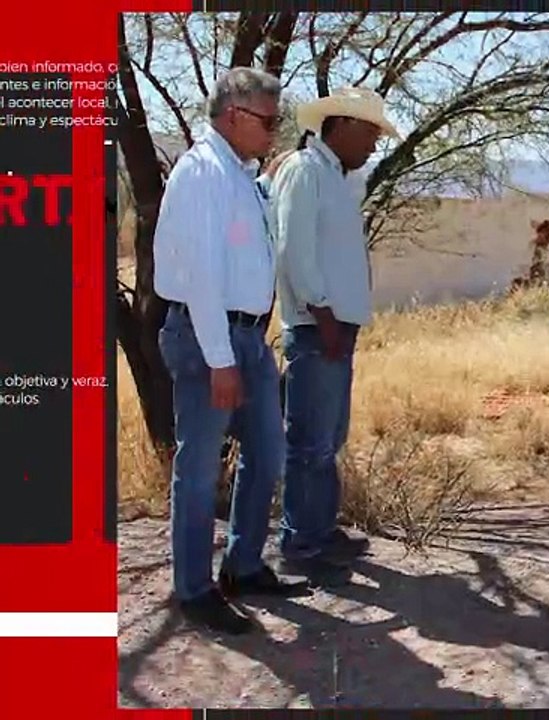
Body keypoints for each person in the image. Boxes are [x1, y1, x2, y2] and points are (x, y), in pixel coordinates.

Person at [153, 67, 306, 635]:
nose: (274, 130)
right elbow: (199, 277)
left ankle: (243, 564)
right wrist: (220, 358)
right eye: (268, 120)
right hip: (205, 335)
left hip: (244, 335)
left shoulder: (240, 175)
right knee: (199, 466)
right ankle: (193, 589)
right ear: (234, 116)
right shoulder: (201, 173)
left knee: (268, 450)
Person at [271, 87, 401, 585]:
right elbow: (293, 248)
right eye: (368, 133)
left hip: (335, 327)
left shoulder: (337, 178)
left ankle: (321, 530)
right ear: (341, 125)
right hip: (314, 326)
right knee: (309, 442)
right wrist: (320, 311)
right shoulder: (306, 171)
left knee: (329, 437)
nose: (373, 144)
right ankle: (300, 543)